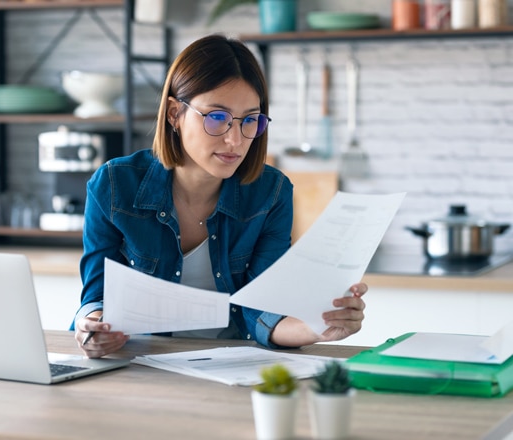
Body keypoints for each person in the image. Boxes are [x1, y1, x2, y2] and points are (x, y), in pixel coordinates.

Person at [73, 34, 367, 358]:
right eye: (217, 117)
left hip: (232, 364)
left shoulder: (271, 193)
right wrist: (94, 328)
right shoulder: (115, 185)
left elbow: (263, 312)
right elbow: (96, 298)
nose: (235, 140)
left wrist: (318, 327)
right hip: (142, 363)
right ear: (174, 114)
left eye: (250, 121)